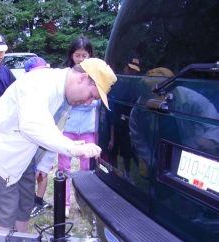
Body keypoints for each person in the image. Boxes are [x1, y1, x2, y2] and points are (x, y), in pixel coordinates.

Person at [0, 58, 117, 242]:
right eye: (92, 95)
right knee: (6, 210)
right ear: (82, 78)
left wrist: (46, 162)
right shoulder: (40, 83)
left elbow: (54, 130)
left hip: (22, 155)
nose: (89, 102)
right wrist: (73, 148)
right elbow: (33, 124)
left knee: (24, 204)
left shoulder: (63, 97)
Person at [58, 36, 99, 218]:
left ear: (90, 55)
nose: (81, 59)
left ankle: (84, 202)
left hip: (89, 129)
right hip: (68, 127)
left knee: (87, 167)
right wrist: (83, 100)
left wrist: (82, 100)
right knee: (64, 166)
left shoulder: (97, 75)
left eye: (84, 55)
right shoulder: (67, 74)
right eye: (77, 55)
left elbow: (97, 102)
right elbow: (66, 100)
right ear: (71, 56)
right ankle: (64, 202)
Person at [22, 57, 54, 218]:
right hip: (28, 140)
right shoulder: (24, 91)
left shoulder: (52, 93)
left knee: (43, 170)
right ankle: (26, 201)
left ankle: (39, 201)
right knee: (28, 172)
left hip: (45, 139)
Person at [109, 57, 141, 184]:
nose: (131, 72)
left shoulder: (135, 86)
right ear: (125, 68)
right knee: (113, 150)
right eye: (130, 69)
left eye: (134, 70)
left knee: (126, 152)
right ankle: (115, 173)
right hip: (114, 122)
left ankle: (127, 174)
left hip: (128, 124)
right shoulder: (115, 83)